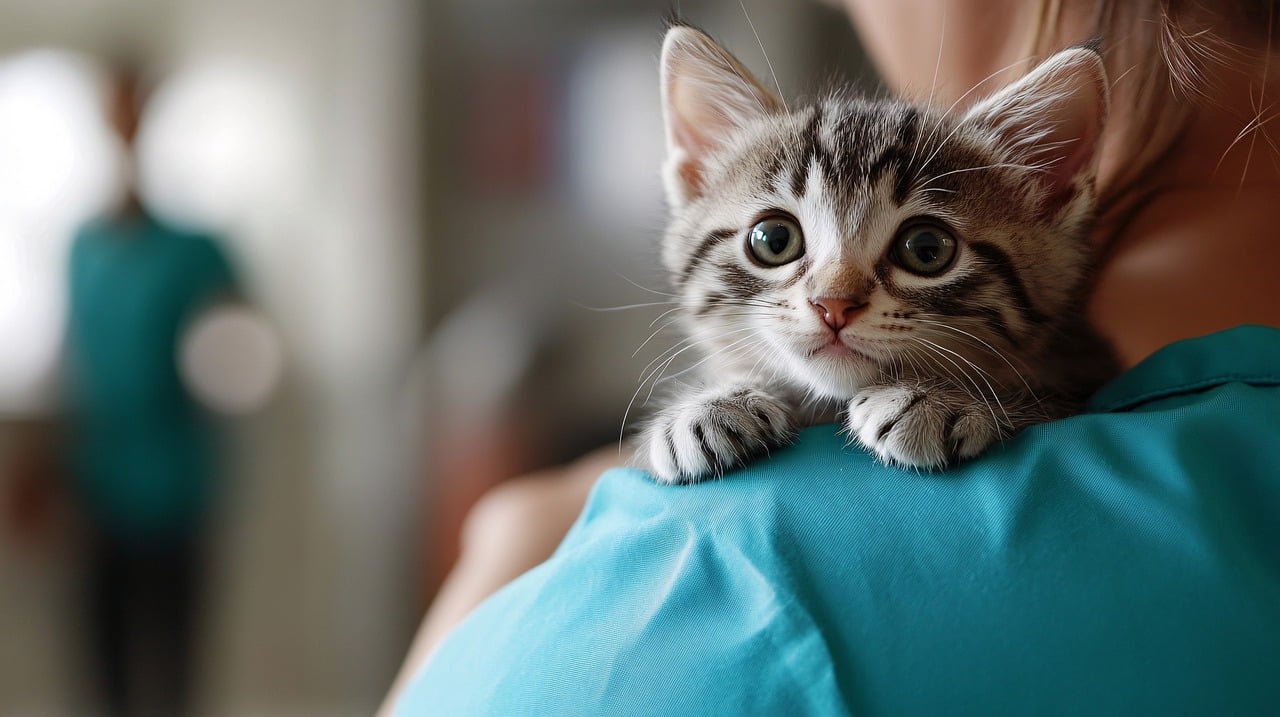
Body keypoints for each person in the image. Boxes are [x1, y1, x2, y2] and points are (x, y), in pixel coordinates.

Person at [384, 0, 1280, 713]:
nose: (834, 299)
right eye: (777, 238)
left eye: (924, 249)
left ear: (1050, 193)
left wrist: (502, 560)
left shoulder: (716, 576)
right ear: (694, 180)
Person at [64, 65, 239, 717]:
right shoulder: (83, 246)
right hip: (97, 482)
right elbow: (77, 365)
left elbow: (237, 355)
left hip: (177, 481)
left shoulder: (198, 251)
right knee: (102, 661)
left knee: (172, 661)